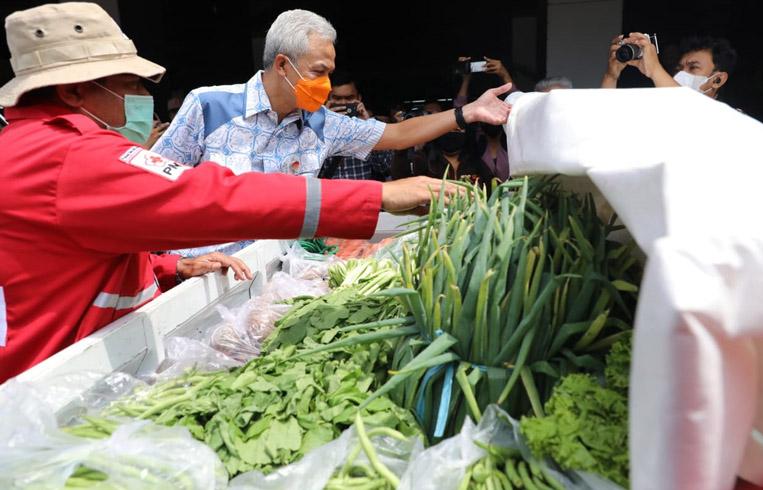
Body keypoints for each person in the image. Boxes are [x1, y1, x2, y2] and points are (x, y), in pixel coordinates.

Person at [0, 2, 458, 382]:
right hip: (49, 384)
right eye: (130, 83)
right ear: (76, 91)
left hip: (70, 367)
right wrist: (377, 198)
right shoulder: (74, 159)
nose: (142, 95)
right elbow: (210, 196)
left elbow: (81, 248)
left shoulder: (36, 151)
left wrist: (170, 265)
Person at [153, 9, 510, 177]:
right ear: (282, 65)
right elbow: (152, 185)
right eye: (318, 72)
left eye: (330, 73)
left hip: (283, 278)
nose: (325, 84)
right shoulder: (208, 106)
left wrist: (467, 113)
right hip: (200, 281)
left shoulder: (322, 124)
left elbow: (397, 134)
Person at [602, 33, 737, 100]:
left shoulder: (729, 119)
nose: (680, 74)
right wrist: (611, 76)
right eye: (679, 69)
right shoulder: (660, 108)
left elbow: (688, 108)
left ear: (718, 80)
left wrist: (654, 69)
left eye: (693, 68)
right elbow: (604, 122)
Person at [319, 70, 393, 181]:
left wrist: (368, 128)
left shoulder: (372, 125)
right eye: (337, 98)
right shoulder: (315, 127)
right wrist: (324, 125)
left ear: (359, 98)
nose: (343, 103)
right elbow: (310, 174)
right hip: (331, 197)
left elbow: (386, 168)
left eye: (349, 98)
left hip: (363, 196)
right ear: (328, 99)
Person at [454, 56, 513, 182]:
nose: (493, 122)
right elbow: (459, 113)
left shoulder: (511, 143)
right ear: (481, 122)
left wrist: (504, 74)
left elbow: (518, 102)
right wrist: (466, 80)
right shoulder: (474, 143)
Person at [392, 128, 494, 190]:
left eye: (457, 130)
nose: (452, 134)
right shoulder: (425, 159)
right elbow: (401, 180)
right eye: (447, 130)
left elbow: (493, 187)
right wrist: (403, 147)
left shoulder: (475, 162)